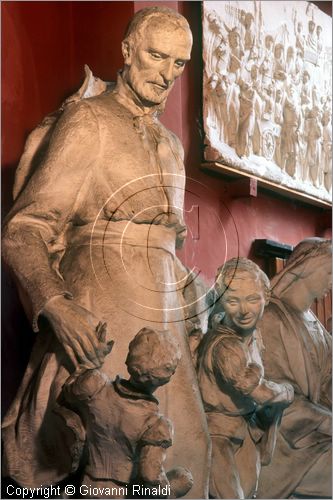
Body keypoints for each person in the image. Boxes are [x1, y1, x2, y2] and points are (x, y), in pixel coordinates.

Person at [2, 7, 210, 495]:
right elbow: (24, 229)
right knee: (105, 458)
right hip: (98, 317)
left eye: (179, 64)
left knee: (187, 456)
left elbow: (167, 245)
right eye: (157, 57)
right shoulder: (89, 121)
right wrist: (56, 304)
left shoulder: (171, 146)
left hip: (164, 330)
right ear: (127, 51)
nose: (166, 74)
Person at [196, 258, 294, 499]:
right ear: (221, 303)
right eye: (232, 301)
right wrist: (286, 391)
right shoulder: (226, 347)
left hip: (244, 433)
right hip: (218, 438)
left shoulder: (250, 336)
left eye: (252, 299)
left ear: (266, 298)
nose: (243, 311)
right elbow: (258, 392)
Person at [62, 327, 193, 499]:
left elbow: (68, 393)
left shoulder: (95, 385)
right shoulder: (156, 424)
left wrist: (93, 361)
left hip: (85, 486)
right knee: (183, 478)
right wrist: (169, 489)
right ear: (168, 375)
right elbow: (150, 475)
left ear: (130, 353)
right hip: (119, 494)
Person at [256, 238, 332, 499]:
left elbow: (328, 387)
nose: (332, 281)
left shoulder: (315, 326)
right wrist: (328, 421)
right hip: (286, 449)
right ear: (309, 267)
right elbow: (277, 398)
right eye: (330, 271)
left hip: (318, 437)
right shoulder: (271, 318)